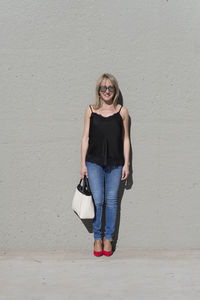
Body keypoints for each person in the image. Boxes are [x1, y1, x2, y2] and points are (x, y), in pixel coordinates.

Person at [80, 73, 130, 257]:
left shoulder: (122, 112)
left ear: (115, 90)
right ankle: (97, 238)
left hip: (116, 163)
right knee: (98, 201)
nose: (107, 91)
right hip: (94, 162)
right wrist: (82, 164)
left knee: (112, 202)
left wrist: (127, 164)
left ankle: (108, 238)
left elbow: (125, 139)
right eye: (103, 88)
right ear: (98, 91)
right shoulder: (90, 111)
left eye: (110, 88)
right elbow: (85, 138)